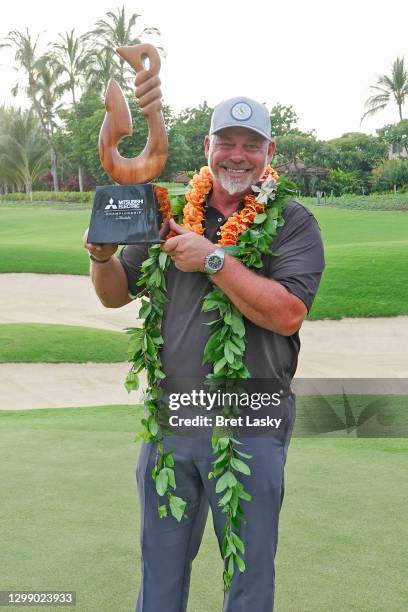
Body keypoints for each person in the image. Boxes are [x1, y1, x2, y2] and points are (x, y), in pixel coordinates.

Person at [83, 96, 325, 612]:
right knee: (161, 570)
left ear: (270, 152)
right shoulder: (163, 210)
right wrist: (101, 254)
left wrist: (213, 258)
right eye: (228, 143)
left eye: (252, 146)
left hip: (252, 421)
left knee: (248, 574)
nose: (238, 156)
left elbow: (287, 315)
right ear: (207, 146)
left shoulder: (293, 221)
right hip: (171, 421)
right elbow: (113, 292)